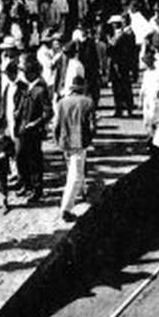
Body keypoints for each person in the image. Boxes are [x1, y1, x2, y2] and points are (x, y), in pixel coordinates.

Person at [54, 74, 96, 222]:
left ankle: (83, 192)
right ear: (83, 87)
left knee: (72, 170)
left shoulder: (61, 103)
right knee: (75, 176)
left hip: (65, 141)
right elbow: (92, 126)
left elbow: (56, 126)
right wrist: (88, 140)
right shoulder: (88, 102)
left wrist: (58, 141)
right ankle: (66, 209)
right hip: (79, 141)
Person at [16, 57, 53, 203]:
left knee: (34, 161)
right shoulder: (28, 87)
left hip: (33, 132)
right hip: (23, 129)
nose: (23, 74)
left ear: (32, 73)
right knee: (20, 157)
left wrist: (35, 123)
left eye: (25, 71)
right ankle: (27, 184)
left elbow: (48, 113)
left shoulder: (40, 89)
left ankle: (37, 189)